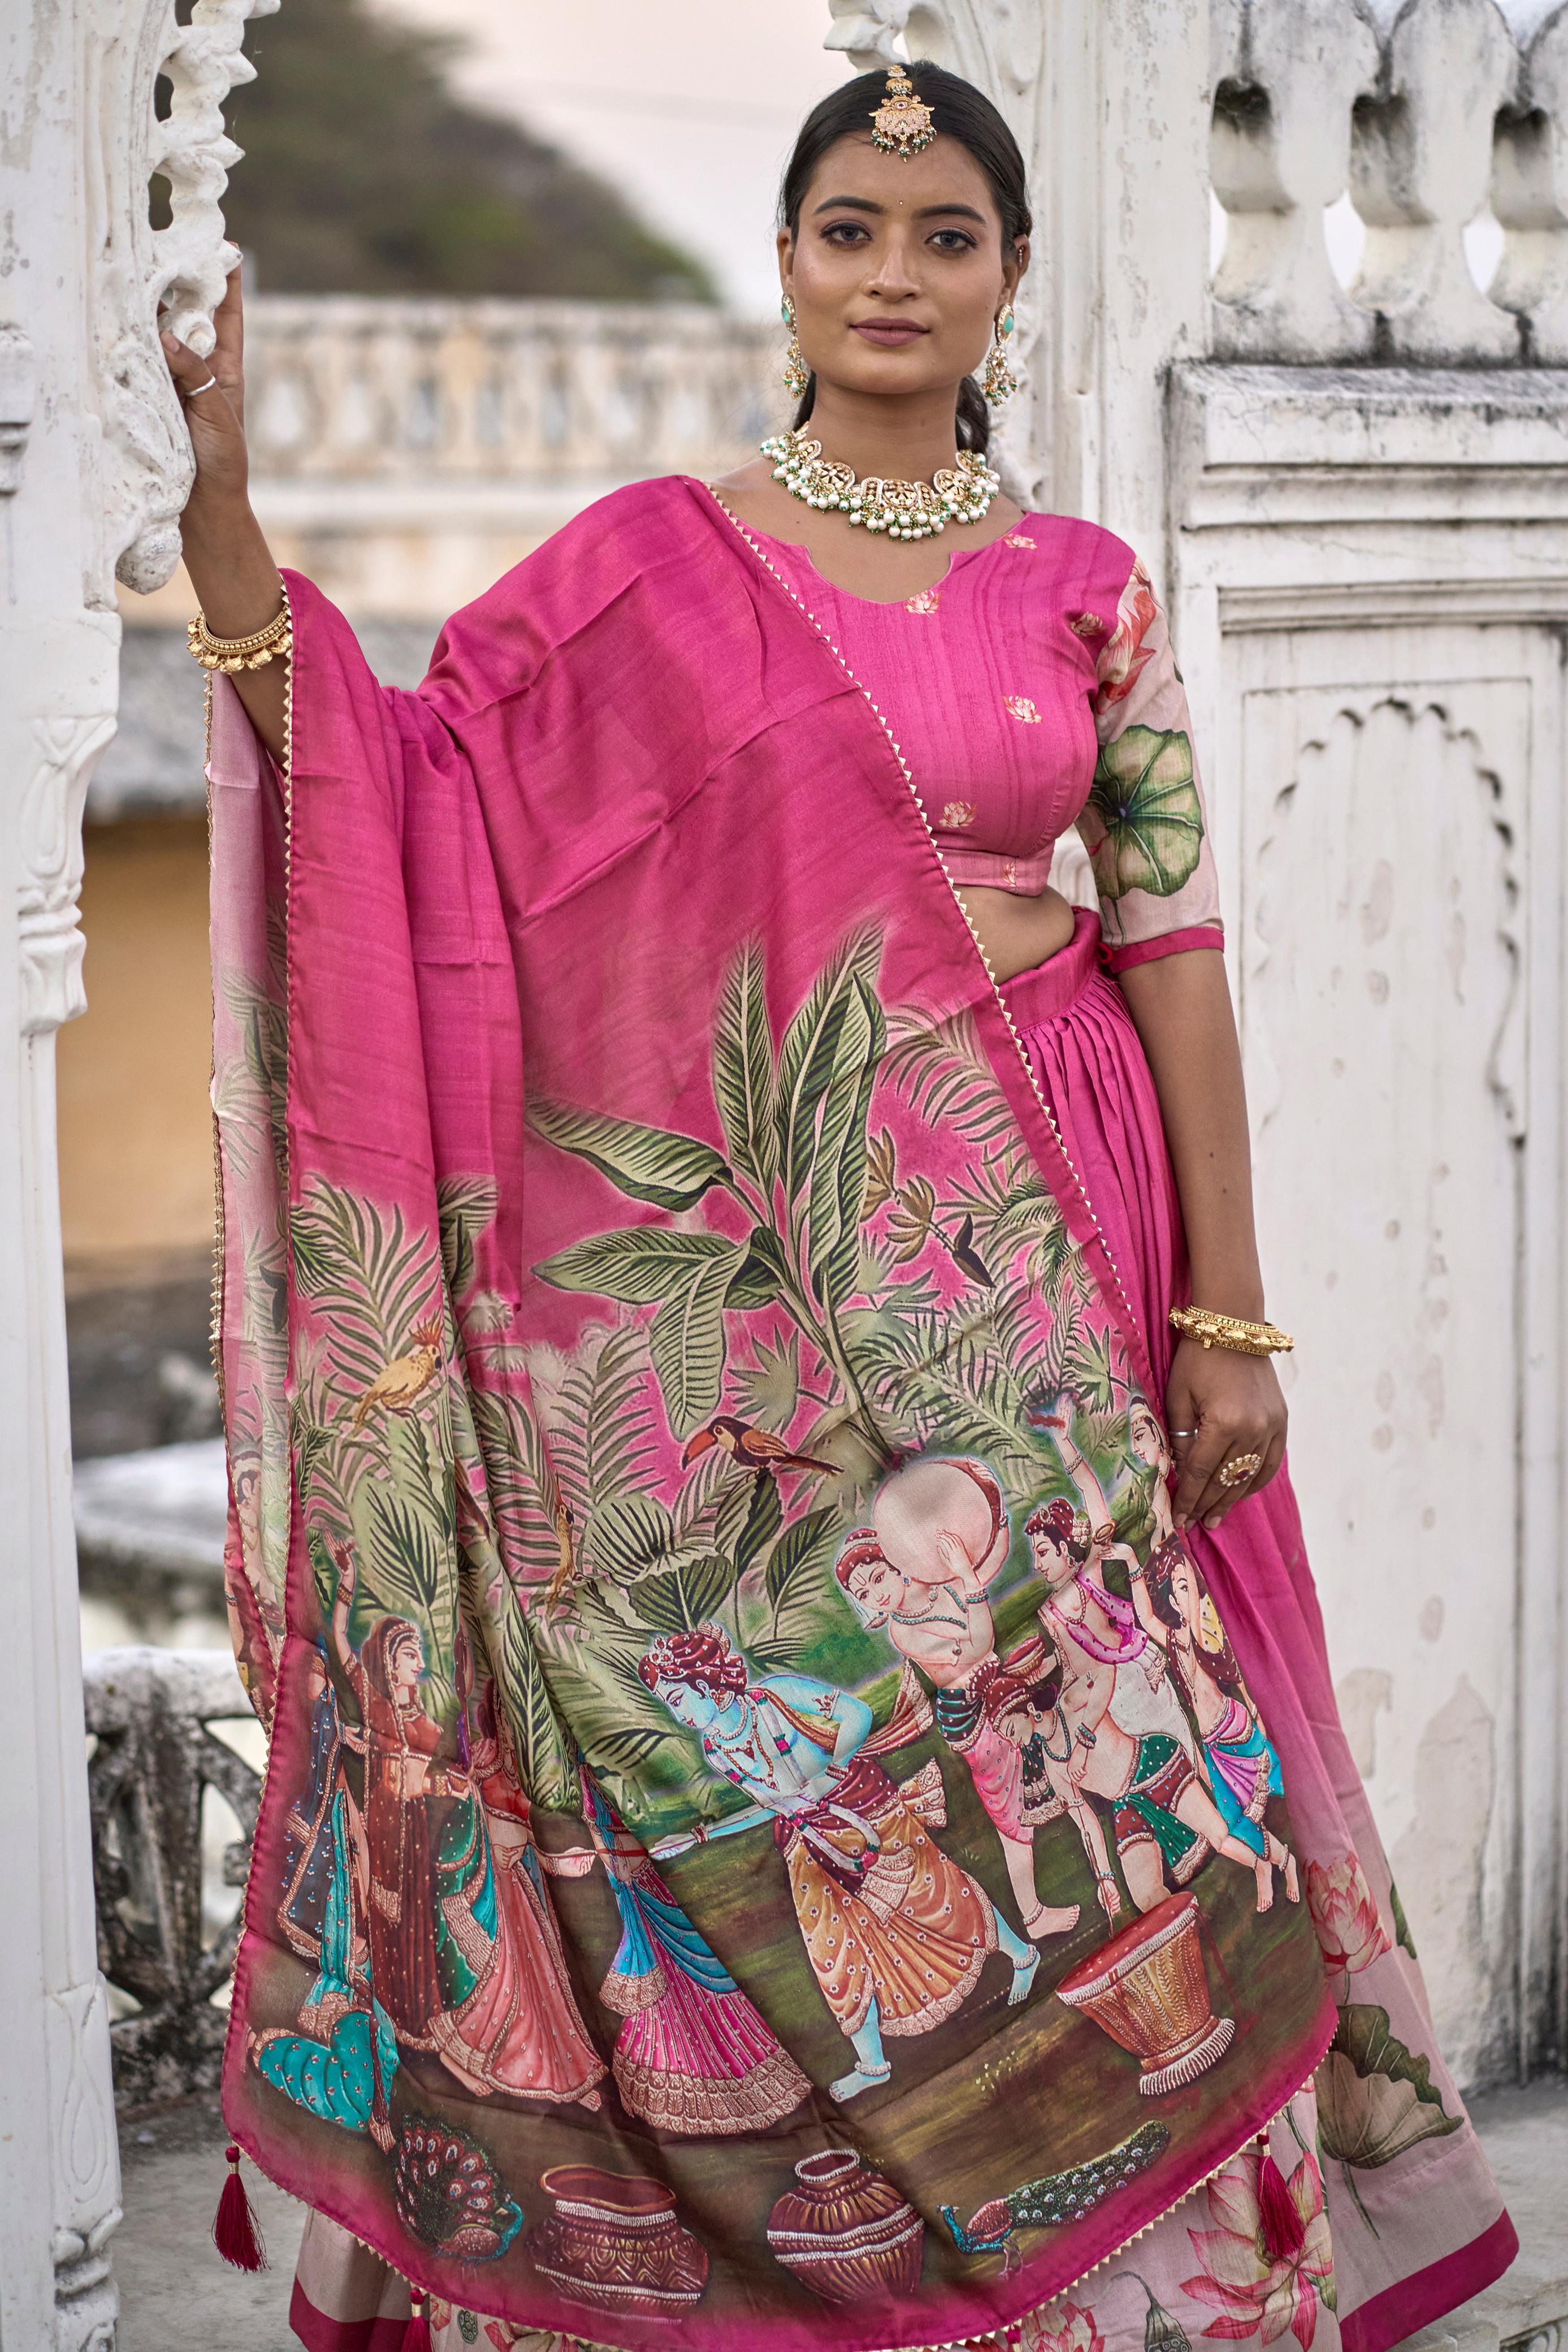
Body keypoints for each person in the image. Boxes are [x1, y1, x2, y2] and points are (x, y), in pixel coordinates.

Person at [176, 58, 1514, 2352]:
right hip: (774, 1261)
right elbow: (410, 791)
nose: (895, 275)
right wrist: (225, 524)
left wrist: (1231, 1312)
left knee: (1102, 1735)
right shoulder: (653, 571)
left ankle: (1147, 2277)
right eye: (851, 229)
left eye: (945, 235)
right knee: (826, 1737)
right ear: (788, 263)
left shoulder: (1083, 590)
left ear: (1009, 274)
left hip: (1050, 1197)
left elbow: (1171, 938)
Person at [637, 1624, 1038, 2102]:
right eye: (669, 1704)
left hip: (860, 1802)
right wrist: (699, 1836)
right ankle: (872, 2064)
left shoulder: (773, 1696)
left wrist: (830, 1773)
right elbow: (772, 1805)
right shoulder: (716, 1749)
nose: (678, 1713)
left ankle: (1023, 1955)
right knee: (832, 1946)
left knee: (934, 1890)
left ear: (704, 1685)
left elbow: (856, 1714)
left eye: (677, 1699)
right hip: (806, 1839)